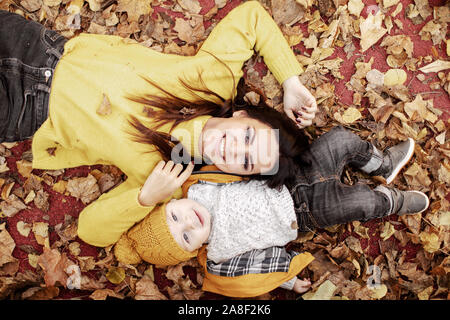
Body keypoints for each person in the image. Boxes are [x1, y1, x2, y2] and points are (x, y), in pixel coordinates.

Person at [0, 2, 318, 246]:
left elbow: (90, 231)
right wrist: (291, 82)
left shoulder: (170, 172)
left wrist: (144, 199)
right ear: (242, 116)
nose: (236, 148)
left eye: (246, 161)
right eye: (248, 136)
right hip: (41, 49)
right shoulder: (213, 81)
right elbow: (250, 17)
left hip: (25, 111)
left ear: (235, 174)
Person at [113, 126, 429, 297]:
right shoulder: (221, 255)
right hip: (307, 213)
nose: (189, 223)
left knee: (340, 139)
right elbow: (252, 271)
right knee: (359, 203)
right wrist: (288, 280)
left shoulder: (198, 186)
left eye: (174, 216)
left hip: (291, 173)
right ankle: (391, 200)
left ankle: (382, 164)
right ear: (193, 250)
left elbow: (196, 149)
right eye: (185, 237)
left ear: (172, 202)